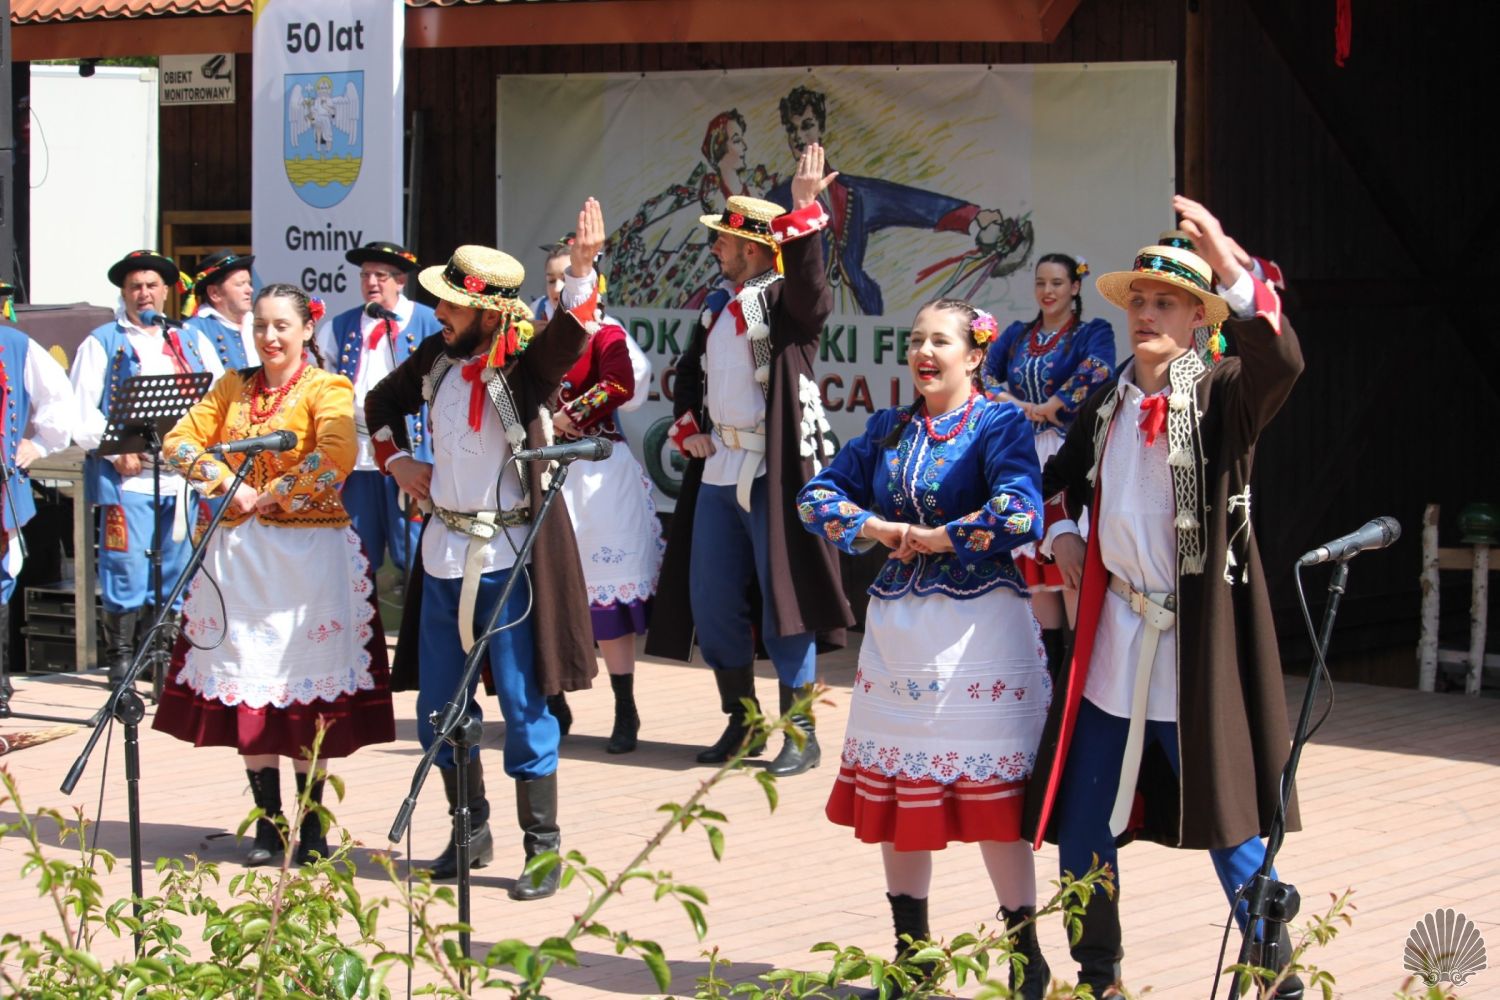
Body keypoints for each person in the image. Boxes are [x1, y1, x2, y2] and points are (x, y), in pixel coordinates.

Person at [1020, 198, 1304, 999]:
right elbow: (1055, 482)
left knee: (1226, 817)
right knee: (1083, 818)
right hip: (1116, 639)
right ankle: (1098, 977)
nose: (1146, 314)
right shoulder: (1109, 399)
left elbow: (1282, 362)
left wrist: (1232, 268)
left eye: (1166, 303)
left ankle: (1275, 971)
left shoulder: (1223, 395)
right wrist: (1061, 534)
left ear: (1198, 318)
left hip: (1193, 647)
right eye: (1139, 300)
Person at [796, 298, 1051, 998]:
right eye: (914, 341)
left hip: (978, 633)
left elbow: (1022, 509)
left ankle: (1025, 957)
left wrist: (945, 538)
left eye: (940, 341)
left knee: (994, 800)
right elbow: (814, 498)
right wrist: (876, 528)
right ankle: (913, 957)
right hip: (901, 637)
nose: (923, 353)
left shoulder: (998, 423)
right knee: (902, 795)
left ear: (976, 355)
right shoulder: (889, 428)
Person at [364, 200, 602, 900]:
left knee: (524, 706)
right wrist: (397, 462)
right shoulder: (436, 357)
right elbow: (379, 404)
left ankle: (542, 848)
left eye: (451, 305)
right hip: (442, 554)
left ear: (489, 313)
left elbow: (568, 340)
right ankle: (468, 830)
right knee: (438, 708)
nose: (437, 312)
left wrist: (581, 272)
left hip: (509, 561)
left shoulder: (525, 364)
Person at [153, 283, 395, 866]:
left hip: (309, 558)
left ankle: (311, 825)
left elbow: (336, 452)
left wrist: (277, 491)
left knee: (305, 689)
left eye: (282, 325)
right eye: (260, 325)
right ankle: (268, 823)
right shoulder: (231, 386)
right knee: (249, 683)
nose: (269, 337)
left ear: (307, 329)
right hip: (241, 556)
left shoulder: (327, 387)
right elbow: (179, 441)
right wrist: (224, 483)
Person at [645, 143, 854, 777]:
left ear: (756, 248)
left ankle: (800, 733)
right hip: (718, 471)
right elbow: (688, 375)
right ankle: (742, 723)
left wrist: (805, 210)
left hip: (772, 472)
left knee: (784, 602)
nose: (715, 248)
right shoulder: (717, 305)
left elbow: (815, 293)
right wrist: (689, 428)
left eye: (724, 240)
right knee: (711, 603)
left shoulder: (786, 302)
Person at [70, 250, 225, 683]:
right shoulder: (103, 341)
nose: (144, 294)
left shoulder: (189, 340)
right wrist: (114, 448)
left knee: (176, 566)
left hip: (179, 476)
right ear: (124, 293)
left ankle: (161, 656)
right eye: (135, 286)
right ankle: (121, 659)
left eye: (152, 286)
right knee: (127, 566)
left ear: (166, 292)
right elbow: (80, 411)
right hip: (129, 478)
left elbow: (217, 399)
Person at [767, 85, 1032, 315]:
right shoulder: (776, 201)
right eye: (792, 129)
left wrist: (973, 216)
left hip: (855, 308)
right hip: (800, 313)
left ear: (821, 128)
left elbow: (911, 204)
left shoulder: (853, 194)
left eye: (807, 126)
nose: (799, 137)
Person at [982, 253, 1115, 672]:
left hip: (1068, 452)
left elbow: (1098, 369)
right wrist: (1013, 403)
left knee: (1070, 561)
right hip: (1023, 454)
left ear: (1075, 287)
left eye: (1057, 283)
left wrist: (1053, 405)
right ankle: (1048, 681)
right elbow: (982, 371)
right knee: (1034, 569)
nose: (1047, 291)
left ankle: (1080, 676)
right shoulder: (1018, 335)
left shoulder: (1092, 332)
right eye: (1041, 282)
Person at [316, 241, 442, 585]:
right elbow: (321, 381)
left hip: (410, 452)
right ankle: (363, 617)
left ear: (400, 280)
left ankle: (415, 616)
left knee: (413, 547)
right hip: (358, 457)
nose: (371, 282)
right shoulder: (340, 326)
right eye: (365, 275)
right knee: (358, 550)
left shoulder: (429, 321)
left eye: (380, 275)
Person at [0, 282, 75, 704]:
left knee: (1, 577)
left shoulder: (16, 345)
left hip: (1, 486)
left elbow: (58, 398)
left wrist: (40, 445)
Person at [183, 249, 257, 370]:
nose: (250, 290)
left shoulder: (259, 323)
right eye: (240, 284)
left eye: (249, 283)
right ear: (214, 293)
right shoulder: (191, 330)